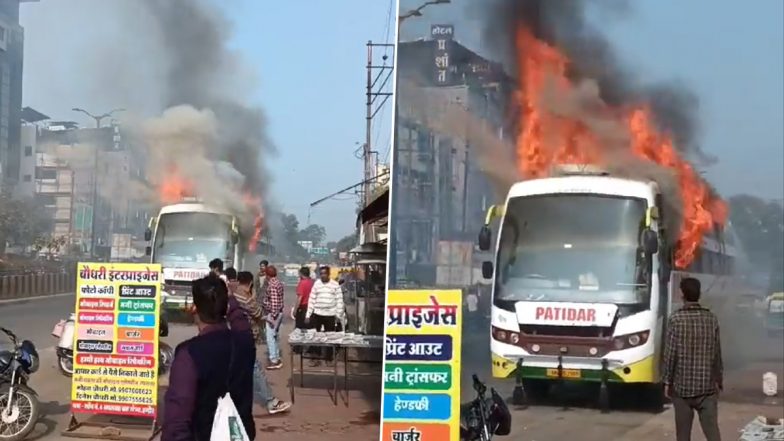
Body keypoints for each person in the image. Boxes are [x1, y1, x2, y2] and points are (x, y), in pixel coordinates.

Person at [162, 274, 255, 441]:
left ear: (194, 309)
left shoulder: (188, 354)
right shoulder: (244, 342)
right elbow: (240, 320)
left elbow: (177, 417)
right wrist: (230, 299)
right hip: (240, 434)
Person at [662, 277, 723, 441]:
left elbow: (670, 353)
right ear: (699, 294)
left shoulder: (676, 319)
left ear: (682, 294)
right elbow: (717, 353)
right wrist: (718, 380)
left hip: (682, 389)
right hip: (707, 388)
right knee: (712, 433)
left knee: (683, 435)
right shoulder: (711, 319)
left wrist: (667, 381)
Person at [235, 271, 292, 415]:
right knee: (255, 369)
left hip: (237, 338)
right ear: (250, 283)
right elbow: (258, 312)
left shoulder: (234, 294)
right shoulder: (246, 298)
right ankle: (270, 401)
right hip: (245, 338)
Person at [305, 266, 345, 366]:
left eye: (325, 273)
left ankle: (329, 358)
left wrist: (338, 315)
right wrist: (308, 314)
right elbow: (312, 299)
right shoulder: (317, 284)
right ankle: (315, 358)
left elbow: (339, 301)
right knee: (316, 337)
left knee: (330, 337)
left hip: (330, 315)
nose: (323, 275)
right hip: (317, 314)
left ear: (328, 274)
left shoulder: (335, 285)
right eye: (321, 273)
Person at [261, 265, 285, 370]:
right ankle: (276, 358)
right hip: (278, 313)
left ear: (267, 275)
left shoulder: (272, 285)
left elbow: (274, 303)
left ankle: (274, 360)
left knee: (270, 338)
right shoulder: (278, 283)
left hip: (273, 314)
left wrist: (272, 318)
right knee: (274, 337)